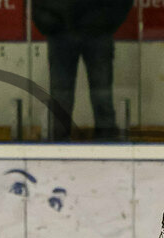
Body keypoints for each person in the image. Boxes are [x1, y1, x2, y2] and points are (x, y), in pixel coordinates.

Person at [32, 0, 134, 141]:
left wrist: (106, 23)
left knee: (99, 93)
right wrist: (48, 22)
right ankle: (60, 140)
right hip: (67, 32)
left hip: (91, 32)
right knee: (65, 93)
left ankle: (105, 139)